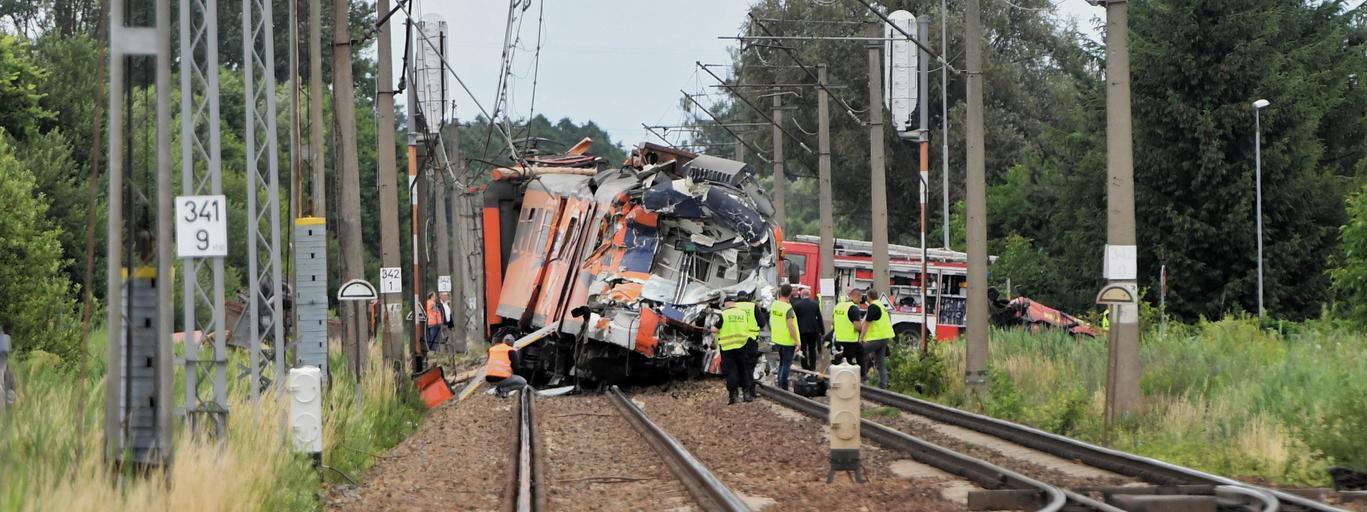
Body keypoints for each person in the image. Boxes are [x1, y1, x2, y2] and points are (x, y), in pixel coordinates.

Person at [715, 295, 763, 404]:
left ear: (726, 304)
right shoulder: (743, 313)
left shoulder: (724, 314)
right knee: (744, 369)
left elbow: (715, 329)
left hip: (727, 348)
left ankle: (734, 396)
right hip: (743, 345)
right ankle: (747, 394)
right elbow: (751, 326)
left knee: (730, 371)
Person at [731, 292, 767, 401]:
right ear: (747, 298)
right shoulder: (753, 307)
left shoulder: (733, 307)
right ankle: (749, 392)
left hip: (735, 340)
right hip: (750, 340)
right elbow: (762, 323)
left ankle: (735, 393)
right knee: (749, 366)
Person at [768, 284, 801, 390]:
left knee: (782, 362)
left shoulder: (775, 305)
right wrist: (797, 341)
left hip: (777, 338)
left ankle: (779, 384)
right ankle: (783, 386)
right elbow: (791, 326)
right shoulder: (788, 308)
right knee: (786, 363)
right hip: (787, 340)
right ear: (791, 293)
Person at [861, 289, 895, 389]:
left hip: (877, 338)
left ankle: (862, 377)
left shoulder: (873, 307)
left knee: (861, 352)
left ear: (868, 297)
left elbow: (866, 324)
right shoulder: (881, 305)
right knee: (880, 362)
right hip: (884, 338)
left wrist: (861, 338)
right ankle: (883, 385)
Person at [792, 287, 824, 371]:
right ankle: (813, 367)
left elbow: (794, 319)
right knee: (812, 348)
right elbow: (819, 318)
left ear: (801, 295)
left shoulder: (797, 305)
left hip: (801, 330)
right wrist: (822, 330)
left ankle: (805, 365)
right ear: (809, 295)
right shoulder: (815, 304)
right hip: (813, 330)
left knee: (803, 349)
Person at [832, 287, 865, 367]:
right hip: (850, 340)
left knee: (848, 358)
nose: (860, 301)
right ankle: (860, 375)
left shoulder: (838, 306)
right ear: (856, 296)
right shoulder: (854, 308)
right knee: (851, 361)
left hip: (838, 338)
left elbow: (833, 321)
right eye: (860, 298)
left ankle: (838, 359)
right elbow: (857, 327)